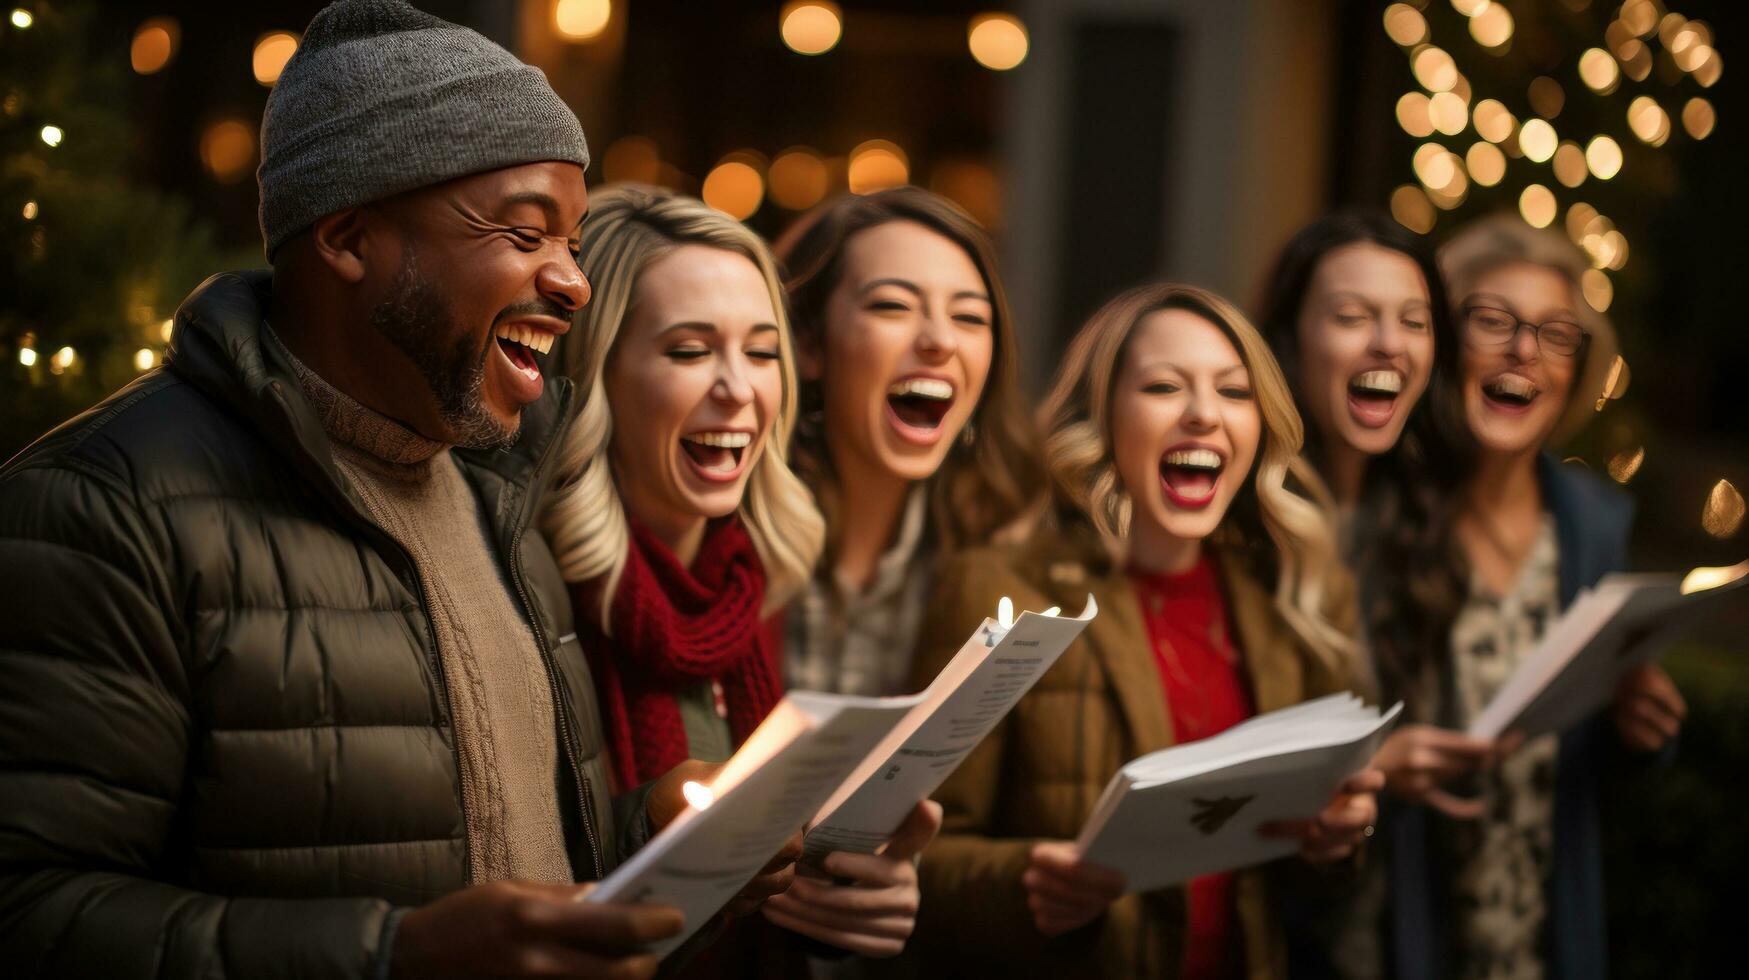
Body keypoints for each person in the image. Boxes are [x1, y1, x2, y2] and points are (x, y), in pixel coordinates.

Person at [0, 3, 786, 977]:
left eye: (574, 241)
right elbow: (34, 910)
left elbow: (506, 859)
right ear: (349, 238)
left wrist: (653, 834)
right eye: (526, 232)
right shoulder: (101, 509)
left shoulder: (501, 498)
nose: (573, 282)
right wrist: (395, 955)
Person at [902, 282, 1382, 977]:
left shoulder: (1283, 604)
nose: (1203, 415)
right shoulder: (998, 586)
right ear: (1104, 415)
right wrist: (1022, 884)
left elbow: (1303, 886)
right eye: (1163, 387)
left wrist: (1335, 840)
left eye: (1233, 392)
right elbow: (914, 849)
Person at [540, 186, 937, 968]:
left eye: (760, 352)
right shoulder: (535, 594)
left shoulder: (759, 585)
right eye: (689, 351)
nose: (739, 389)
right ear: (598, 375)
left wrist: (850, 889)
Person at [1379, 214, 1686, 980]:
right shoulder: (1380, 517)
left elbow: (1594, 770)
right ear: (1440, 344)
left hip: (1538, 943)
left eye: (1556, 334)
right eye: (1492, 321)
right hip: (1399, 936)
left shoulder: (1591, 525)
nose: (1524, 351)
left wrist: (1634, 727)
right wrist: (1377, 771)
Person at [1256, 212, 1482, 977]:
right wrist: (1377, 763)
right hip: (1261, 931)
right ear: (1290, 341)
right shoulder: (1236, 519)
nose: (1388, 342)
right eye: (1352, 317)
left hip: (1390, 928)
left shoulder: (1421, 513)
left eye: (1413, 322)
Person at [771, 187, 1043, 701]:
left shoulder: (1014, 559)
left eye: (969, 317)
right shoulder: (732, 542)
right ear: (808, 344)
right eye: (893, 306)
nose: (940, 340)